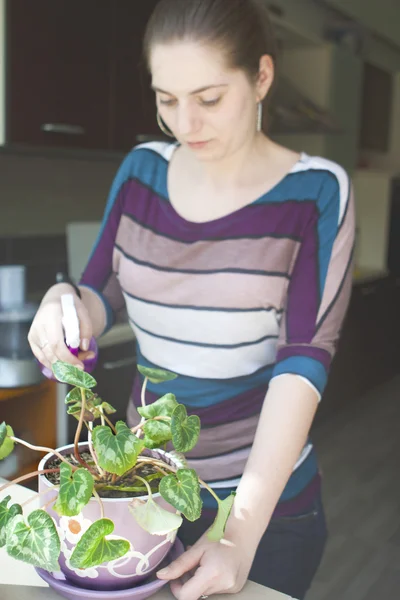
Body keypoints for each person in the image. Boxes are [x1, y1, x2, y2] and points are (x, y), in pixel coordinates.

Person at [28, 0, 355, 598]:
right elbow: (100, 294)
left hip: (263, 509)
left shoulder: (315, 192)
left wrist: (240, 529)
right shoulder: (139, 172)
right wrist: (61, 300)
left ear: (261, 76)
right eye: (166, 99)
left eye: (208, 99)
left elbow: (304, 358)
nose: (185, 124)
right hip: (140, 488)